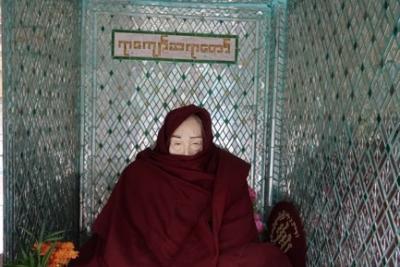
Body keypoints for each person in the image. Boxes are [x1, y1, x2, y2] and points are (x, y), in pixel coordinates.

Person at [71, 105, 305, 267]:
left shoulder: (224, 172)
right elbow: (123, 234)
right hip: (146, 259)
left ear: (206, 143)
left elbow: (236, 234)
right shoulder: (140, 174)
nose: (186, 152)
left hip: (212, 257)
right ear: (164, 142)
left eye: (195, 143)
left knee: (262, 261)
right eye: (177, 143)